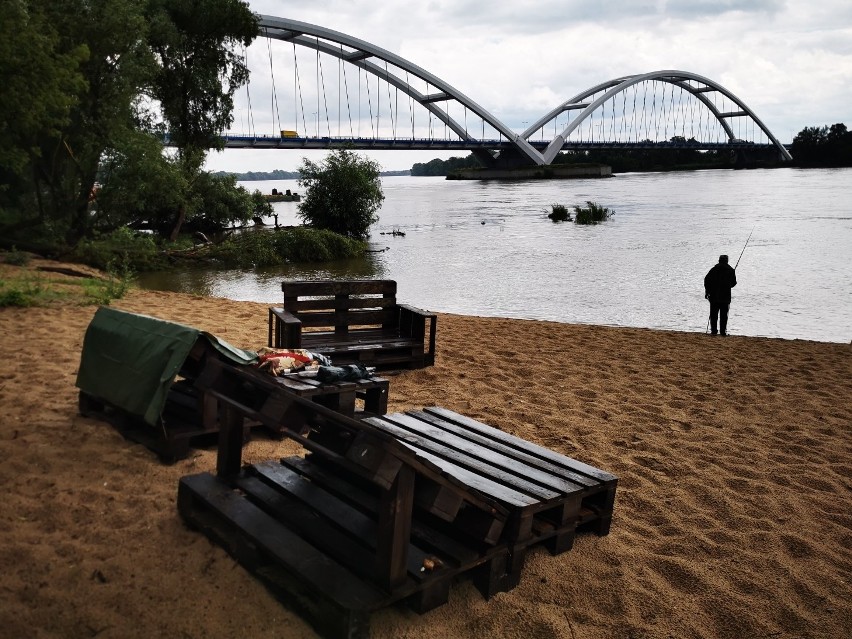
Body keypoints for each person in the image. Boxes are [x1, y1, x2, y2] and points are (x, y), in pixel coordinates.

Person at [704, 254, 737, 336]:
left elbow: (706, 280)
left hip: (714, 296)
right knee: (724, 315)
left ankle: (714, 331)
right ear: (727, 261)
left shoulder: (714, 269)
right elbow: (733, 283)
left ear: (719, 260)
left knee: (713, 315)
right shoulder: (731, 270)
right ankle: (723, 332)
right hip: (725, 297)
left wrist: (707, 292)